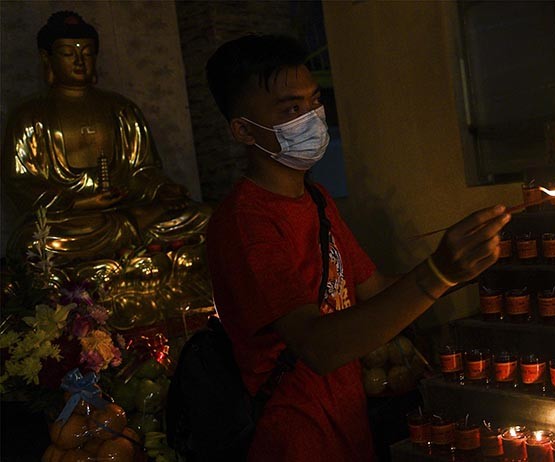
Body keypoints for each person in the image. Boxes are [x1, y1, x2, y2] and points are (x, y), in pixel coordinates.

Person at [204, 34, 509, 461]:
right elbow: (319, 347)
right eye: (292, 109)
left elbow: (377, 290)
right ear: (242, 130)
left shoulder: (317, 200)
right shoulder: (245, 223)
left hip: (348, 426)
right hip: (293, 438)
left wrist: (470, 261)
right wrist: (438, 272)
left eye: (314, 102)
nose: (311, 117)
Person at [2, 11, 211, 320]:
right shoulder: (30, 116)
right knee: (36, 243)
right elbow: (21, 182)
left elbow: (143, 170)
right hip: (77, 224)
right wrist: (81, 201)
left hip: (130, 213)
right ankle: (143, 272)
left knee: (205, 217)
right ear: (46, 58)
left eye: (87, 53)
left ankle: (123, 274)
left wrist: (162, 188)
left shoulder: (121, 109)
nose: (79, 61)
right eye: (68, 53)